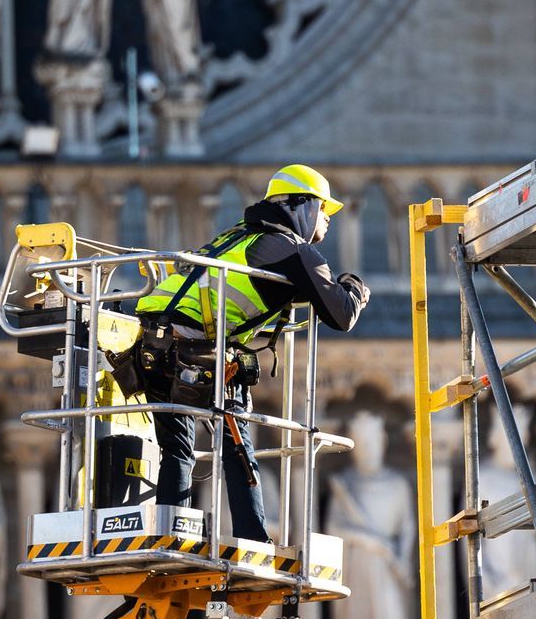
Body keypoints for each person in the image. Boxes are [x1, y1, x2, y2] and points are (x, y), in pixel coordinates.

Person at [135, 164, 370, 542]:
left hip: (151, 343)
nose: (326, 221)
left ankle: (170, 533)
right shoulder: (293, 249)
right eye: (324, 210)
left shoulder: (235, 238)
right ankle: (253, 538)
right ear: (303, 207)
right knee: (238, 446)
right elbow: (341, 314)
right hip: (197, 352)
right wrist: (355, 286)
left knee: (178, 449)